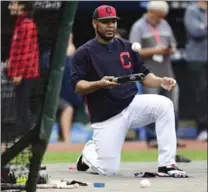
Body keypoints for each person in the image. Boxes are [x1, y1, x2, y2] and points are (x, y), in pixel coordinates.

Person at [71, 5, 187, 177]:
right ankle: (89, 154)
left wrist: (160, 81)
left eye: (113, 21)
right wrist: (99, 84)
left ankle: (167, 164)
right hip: (107, 115)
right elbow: (77, 86)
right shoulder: (84, 52)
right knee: (109, 171)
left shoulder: (126, 46)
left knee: (165, 105)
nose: (110, 25)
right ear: (95, 23)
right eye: (105, 22)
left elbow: (144, 75)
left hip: (131, 104)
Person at [129, 1, 188, 150]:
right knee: (152, 107)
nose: (161, 19)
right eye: (159, 16)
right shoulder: (138, 26)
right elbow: (133, 52)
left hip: (167, 72)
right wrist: (155, 50)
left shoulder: (164, 24)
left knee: (173, 107)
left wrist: (170, 49)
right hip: (149, 74)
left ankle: (173, 137)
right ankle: (152, 139)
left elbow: (173, 43)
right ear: (151, 12)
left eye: (163, 16)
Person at [7, 1, 39, 132]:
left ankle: (28, 137)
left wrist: (18, 73)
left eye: (12, 3)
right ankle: (24, 136)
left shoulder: (28, 25)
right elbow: (17, 50)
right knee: (19, 107)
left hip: (27, 75)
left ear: (22, 6)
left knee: (24, 107)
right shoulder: (19, 23)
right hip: (19, 74)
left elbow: (27, 52)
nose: (9, 7)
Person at [184, 1, 208, 141]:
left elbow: (202, 29)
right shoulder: (192, 10)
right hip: (198, 58)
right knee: (201, 93)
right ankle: (203, 128)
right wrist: (202, 28)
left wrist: (204, 27)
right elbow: (196, 31)